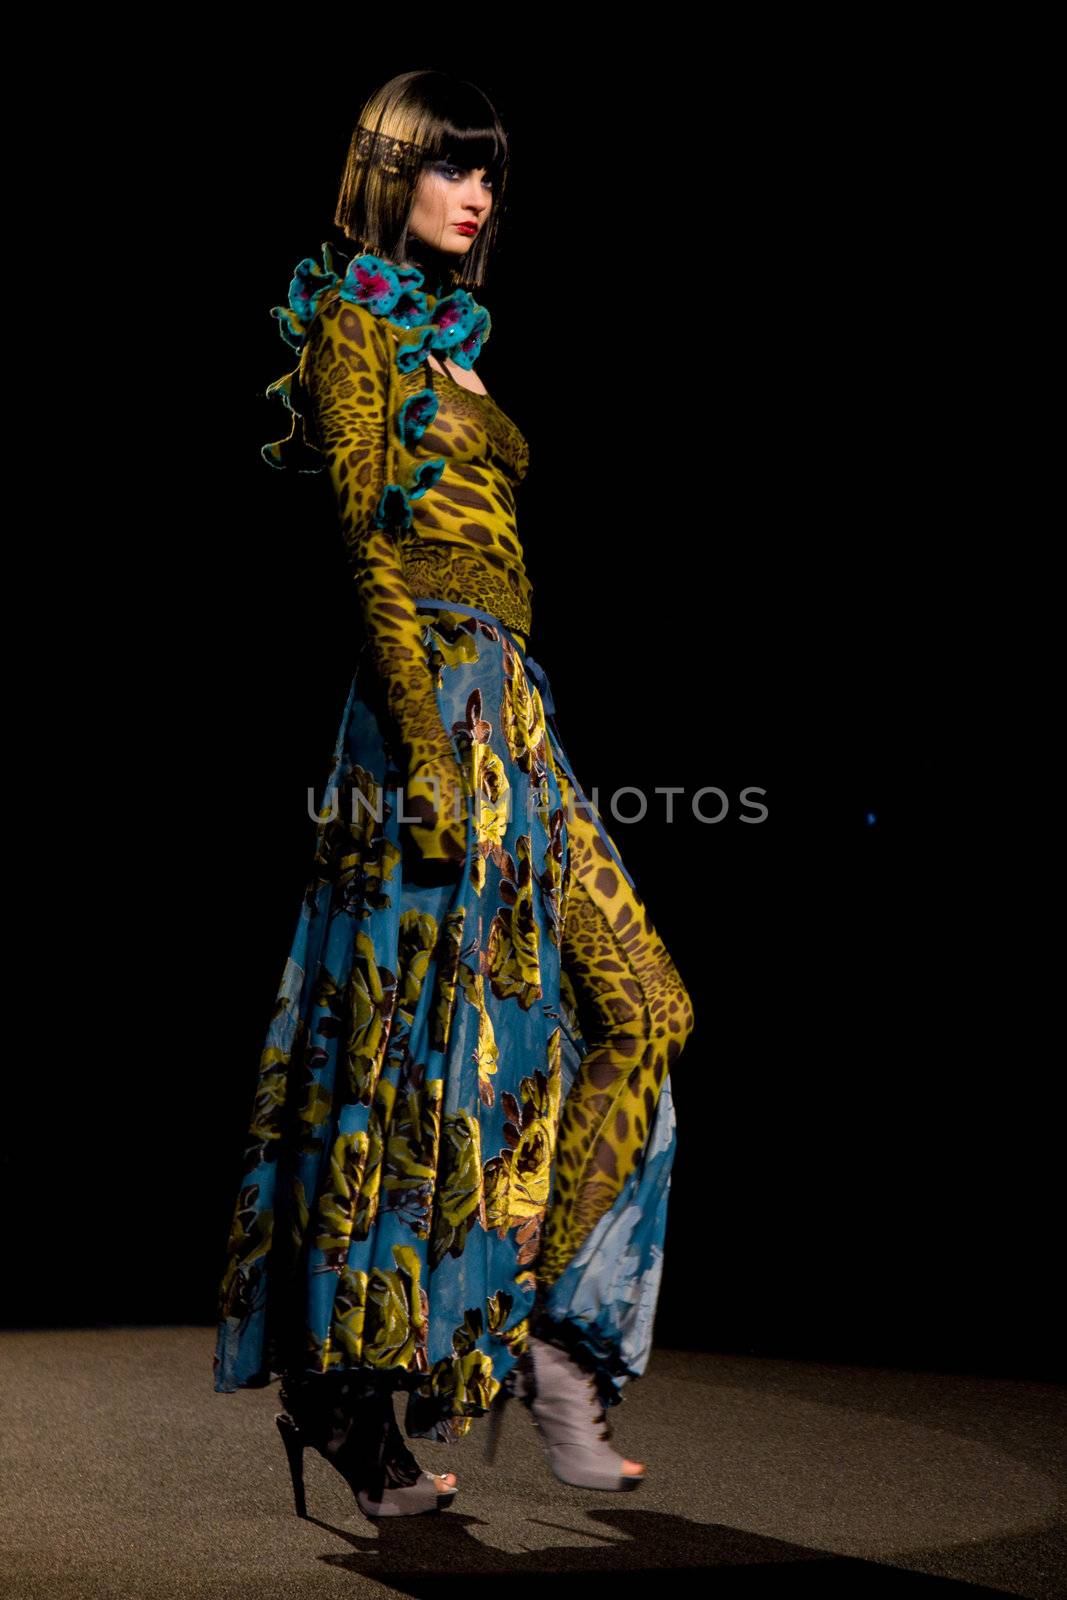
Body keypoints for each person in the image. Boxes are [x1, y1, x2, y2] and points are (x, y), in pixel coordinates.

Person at [213, 69, 694, 1521]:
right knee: (406, 1051)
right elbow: (367, 550)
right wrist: (423, 752)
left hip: (512, 711)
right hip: (424, 706)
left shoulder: (462, 345)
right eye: (450, 165)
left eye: (489, 171)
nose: (476, 193)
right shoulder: (358, 330)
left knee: (645, 1008)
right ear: (391, 173)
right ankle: (348, 1400)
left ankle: (560, 1342)